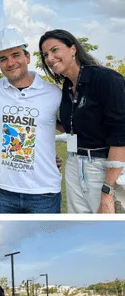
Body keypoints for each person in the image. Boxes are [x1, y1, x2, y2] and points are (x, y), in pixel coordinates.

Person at [0, 27, 64, 213]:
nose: (10, 63)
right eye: (3, 58)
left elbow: (70, 127)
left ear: (27, 57)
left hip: (44, 192)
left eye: (16, 55)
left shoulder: (54, 93)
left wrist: (50, 156)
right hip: (6, 192)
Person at [39, 29, 125, 214]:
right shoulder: (68, 86)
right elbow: (71, 127)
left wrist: (108, 191)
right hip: (74, 165)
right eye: (45, 55)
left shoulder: (107, 80)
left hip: (104, 167)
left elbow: (120, 136)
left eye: (55, 50)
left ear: (73, 49)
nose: (50, 58)